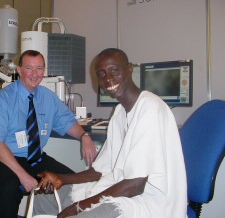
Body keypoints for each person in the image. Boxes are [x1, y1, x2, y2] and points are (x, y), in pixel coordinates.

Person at [33, 48, 187, 218]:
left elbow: (136, 184)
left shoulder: (150, 108)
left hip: (147, 200)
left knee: (82, 215)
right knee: (43, 199)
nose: (108, 79)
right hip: (121, 188)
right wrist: (61, 179)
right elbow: (101, 170)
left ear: (129, 68)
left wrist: (79, 207)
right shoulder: (120, 112)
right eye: (101, 74)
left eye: (114, 70)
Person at [0, 50, 97, 218]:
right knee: (9, 186)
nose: (34, 74)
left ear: (44, 71)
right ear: (19, 70)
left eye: (39, 68)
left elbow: (68, 122)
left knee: (71, 181)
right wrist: (23, 176)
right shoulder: (2, 99)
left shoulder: (48, 97)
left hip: (34, 158)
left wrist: (84, 136)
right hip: (0, 157)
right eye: (29, 68)